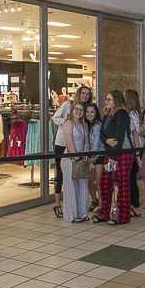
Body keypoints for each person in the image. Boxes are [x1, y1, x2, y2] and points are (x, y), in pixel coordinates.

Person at [92, 90, 135, 225]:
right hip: (110, 153)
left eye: (109, 99)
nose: (106, 101)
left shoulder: (122, 113)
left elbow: (120, 137)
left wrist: (113, 156)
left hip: (122, 154)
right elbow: (102, 134)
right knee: (105, 183)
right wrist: (106, 141)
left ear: (116, 100)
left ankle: (122, 216)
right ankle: (104, 213)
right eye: (106, 99)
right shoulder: (108, 115)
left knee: (122, 185)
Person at [50, 86, 92, 218]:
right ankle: (58, 205)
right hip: (62, 143)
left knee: (78, 176)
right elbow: (55, 118)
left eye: (87, 94)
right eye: (83, 93)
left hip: (78, 147)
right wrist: (69, 122)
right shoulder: (67, 105)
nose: (84, 96)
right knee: (61, 175)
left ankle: (78, 206)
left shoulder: (85, 110)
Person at [61, 103, 89, 223]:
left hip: (82, 158)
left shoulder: (83, 125)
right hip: (70, 158)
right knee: (71, 187)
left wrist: (85, 156)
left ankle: (82, 213)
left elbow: (86, 142)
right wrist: (77, 157)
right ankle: (71, 215)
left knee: (82, 185)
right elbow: (69, 142)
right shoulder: (68, 123)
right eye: (76, 109)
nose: (79, 111)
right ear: (72, 110)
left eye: (81, 110)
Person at [124, 89, 143, 216]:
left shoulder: (131, 114)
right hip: (136, 147)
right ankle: (132, 205)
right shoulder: (136, 113)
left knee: (131, 179)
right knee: (130, 179)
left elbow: (135, 134)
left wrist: (136, 154)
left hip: (133, 148)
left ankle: (135, 206)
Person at [85, 104, 104, 212]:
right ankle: (94, 201)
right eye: (87, 112)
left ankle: (101, 206)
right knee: (89, 182)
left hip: (98, 156)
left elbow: (96, 144)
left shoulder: (97, 126)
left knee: (98, 183)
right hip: (90, 157)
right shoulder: (87, 125)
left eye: (92, 112)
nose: (89, 114)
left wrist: (91, 160)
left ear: (96, 113)